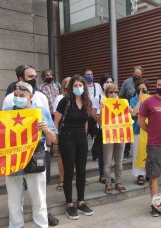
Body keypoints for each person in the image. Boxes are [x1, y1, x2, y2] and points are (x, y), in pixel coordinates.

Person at [3, 81, 58, 228]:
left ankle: (41, 225)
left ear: (31, 96)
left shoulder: (40, 111)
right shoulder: (6, 112)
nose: (18, 98)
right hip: (12, 159)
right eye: (16, 95)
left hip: (35, 158)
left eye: (22, 95)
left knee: (39, 199)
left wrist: (46, 129)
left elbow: (53, 138)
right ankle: (15, 226)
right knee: (13, 200)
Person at [54, 75, 94, 220]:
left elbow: (86, 122)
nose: (78, 88)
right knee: (69, 171)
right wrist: (56, 141)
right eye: (75, 85)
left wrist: (84, 135)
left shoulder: (86, 102)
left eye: (80, 85)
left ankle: (81, 202)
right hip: (67, 137)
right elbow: (56, 121)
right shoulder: (65, 101)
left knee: (82, 171)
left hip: (81, 138)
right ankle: (69, 204)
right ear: (71, 87)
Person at [137, 75, 161, 217]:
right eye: (159, 85)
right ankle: (156, 205)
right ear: (156, 86)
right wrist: (151, 131)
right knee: (153, 175)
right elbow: (140, 121)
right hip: (154, 145)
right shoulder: (149, 102)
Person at [99, 83, 129, 194]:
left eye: (116, 91)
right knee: (107, 161)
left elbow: (129, 119)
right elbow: (99, 121)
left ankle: (118, 182)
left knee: (119, 161)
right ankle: (108, 183)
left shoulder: (123, 103)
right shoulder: (103, 104)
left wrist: (129, 112)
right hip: (108, 135)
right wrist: (101, 110)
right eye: (111, 92)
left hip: (121, 135)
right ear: (106, 94)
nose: (114, 94)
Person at [91, 74, 113, 184]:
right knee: (102, 154)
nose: (109, 84)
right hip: (102, 129)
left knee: (110, 154)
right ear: (102, 84)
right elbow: (93, 114)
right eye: (107, 82)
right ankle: (102, 175)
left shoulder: (115, 97)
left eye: (111, 82)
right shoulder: (98, 97)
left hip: (113, 129)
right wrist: (100, 114)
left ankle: (108, 174)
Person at [120, 66, 144, 158]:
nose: (137, 77)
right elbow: (121, 95)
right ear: (133, 74)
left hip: (139, 110)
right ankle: (126, 152)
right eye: (135, 75)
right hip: (128, 109)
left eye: (139, 76)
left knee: (137, 130)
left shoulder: (143, 83)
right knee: (127, 130)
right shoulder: (127, 82)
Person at [130, 78, 150, 185]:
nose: (142, 90)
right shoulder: (133, 100)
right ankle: (139, 174)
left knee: (147, 152)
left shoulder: (150, 99)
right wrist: (139, 100)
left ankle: (147, 172)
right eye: (140, 89)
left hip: (148, 130)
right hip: (138, 130)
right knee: (137, 152)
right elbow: (134, 113)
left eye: (144, 89)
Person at [52, 77, 71, 192]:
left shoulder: (77, 97)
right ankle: (61, 179)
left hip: (74, 131)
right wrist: (56, 137)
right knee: (62, 157)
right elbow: (56, 118)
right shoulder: (59, 98)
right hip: (63, 131)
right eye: (67, 84)